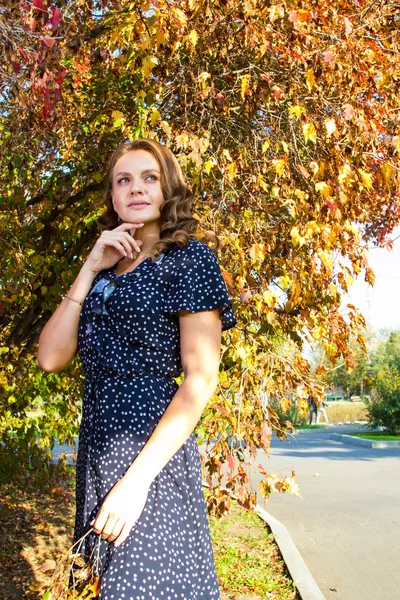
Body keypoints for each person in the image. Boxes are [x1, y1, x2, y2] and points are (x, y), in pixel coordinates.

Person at [37, 138, 237, 600]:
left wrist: (135, 484)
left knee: (149, 584)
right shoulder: (106, 270)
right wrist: (89, 268)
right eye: (123, 180)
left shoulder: (188, 259)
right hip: (100, 446)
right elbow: (50, 358)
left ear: (168, 189)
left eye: (149, 177)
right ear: (112, 197)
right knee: (104, 586)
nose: (137, 188)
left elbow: (200, 379)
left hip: (151, 451)